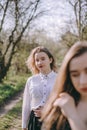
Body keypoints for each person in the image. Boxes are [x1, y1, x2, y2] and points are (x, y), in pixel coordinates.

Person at [41, 41, 87, 130]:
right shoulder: (60, 106)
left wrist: (72, 115)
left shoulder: (68, 109)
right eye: (75, 74)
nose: (83, 82)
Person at [22, 46, 58, 130]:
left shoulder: (60, 79)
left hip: (54, 120)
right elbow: (26, 104)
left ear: (50, 60)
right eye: (37, 60)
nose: (40, 62)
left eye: (43, 59)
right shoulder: (31, 80)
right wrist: (24, 125)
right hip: (34, 121)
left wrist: (47, 112)